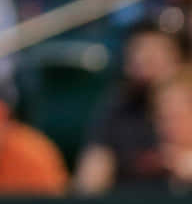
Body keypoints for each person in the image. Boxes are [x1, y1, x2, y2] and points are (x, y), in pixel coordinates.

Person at [76, 20, 186, 193]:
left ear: (177, 60)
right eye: (138, 52)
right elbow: (91, 177)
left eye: (154, 54)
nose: (145, 61)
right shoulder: (116, 110)